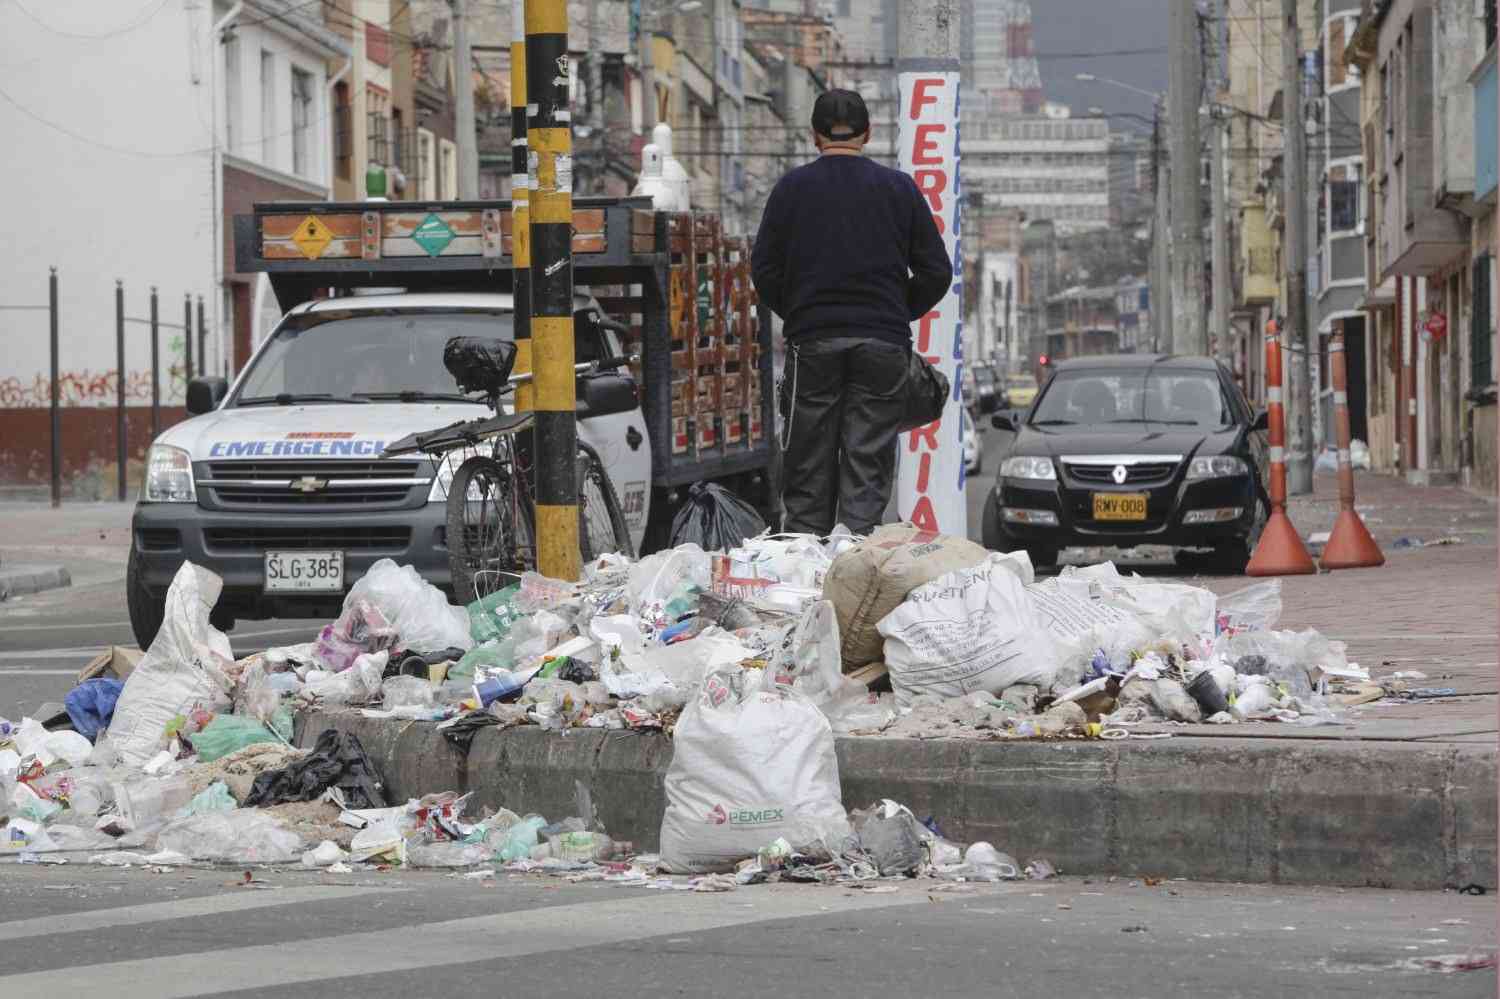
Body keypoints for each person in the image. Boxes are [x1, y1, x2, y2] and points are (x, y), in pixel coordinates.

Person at [751, 89, 952, 536]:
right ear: (867, 133)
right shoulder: (899, 189)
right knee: (867, 460)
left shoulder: (791, 189)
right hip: (883, 346)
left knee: (807, 459)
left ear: (814, 136)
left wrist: (802, 312)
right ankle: (854, 563)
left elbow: (762, 270)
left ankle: (807, 567)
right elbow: (936, 271)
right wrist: (896, 311)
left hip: (813, 343)